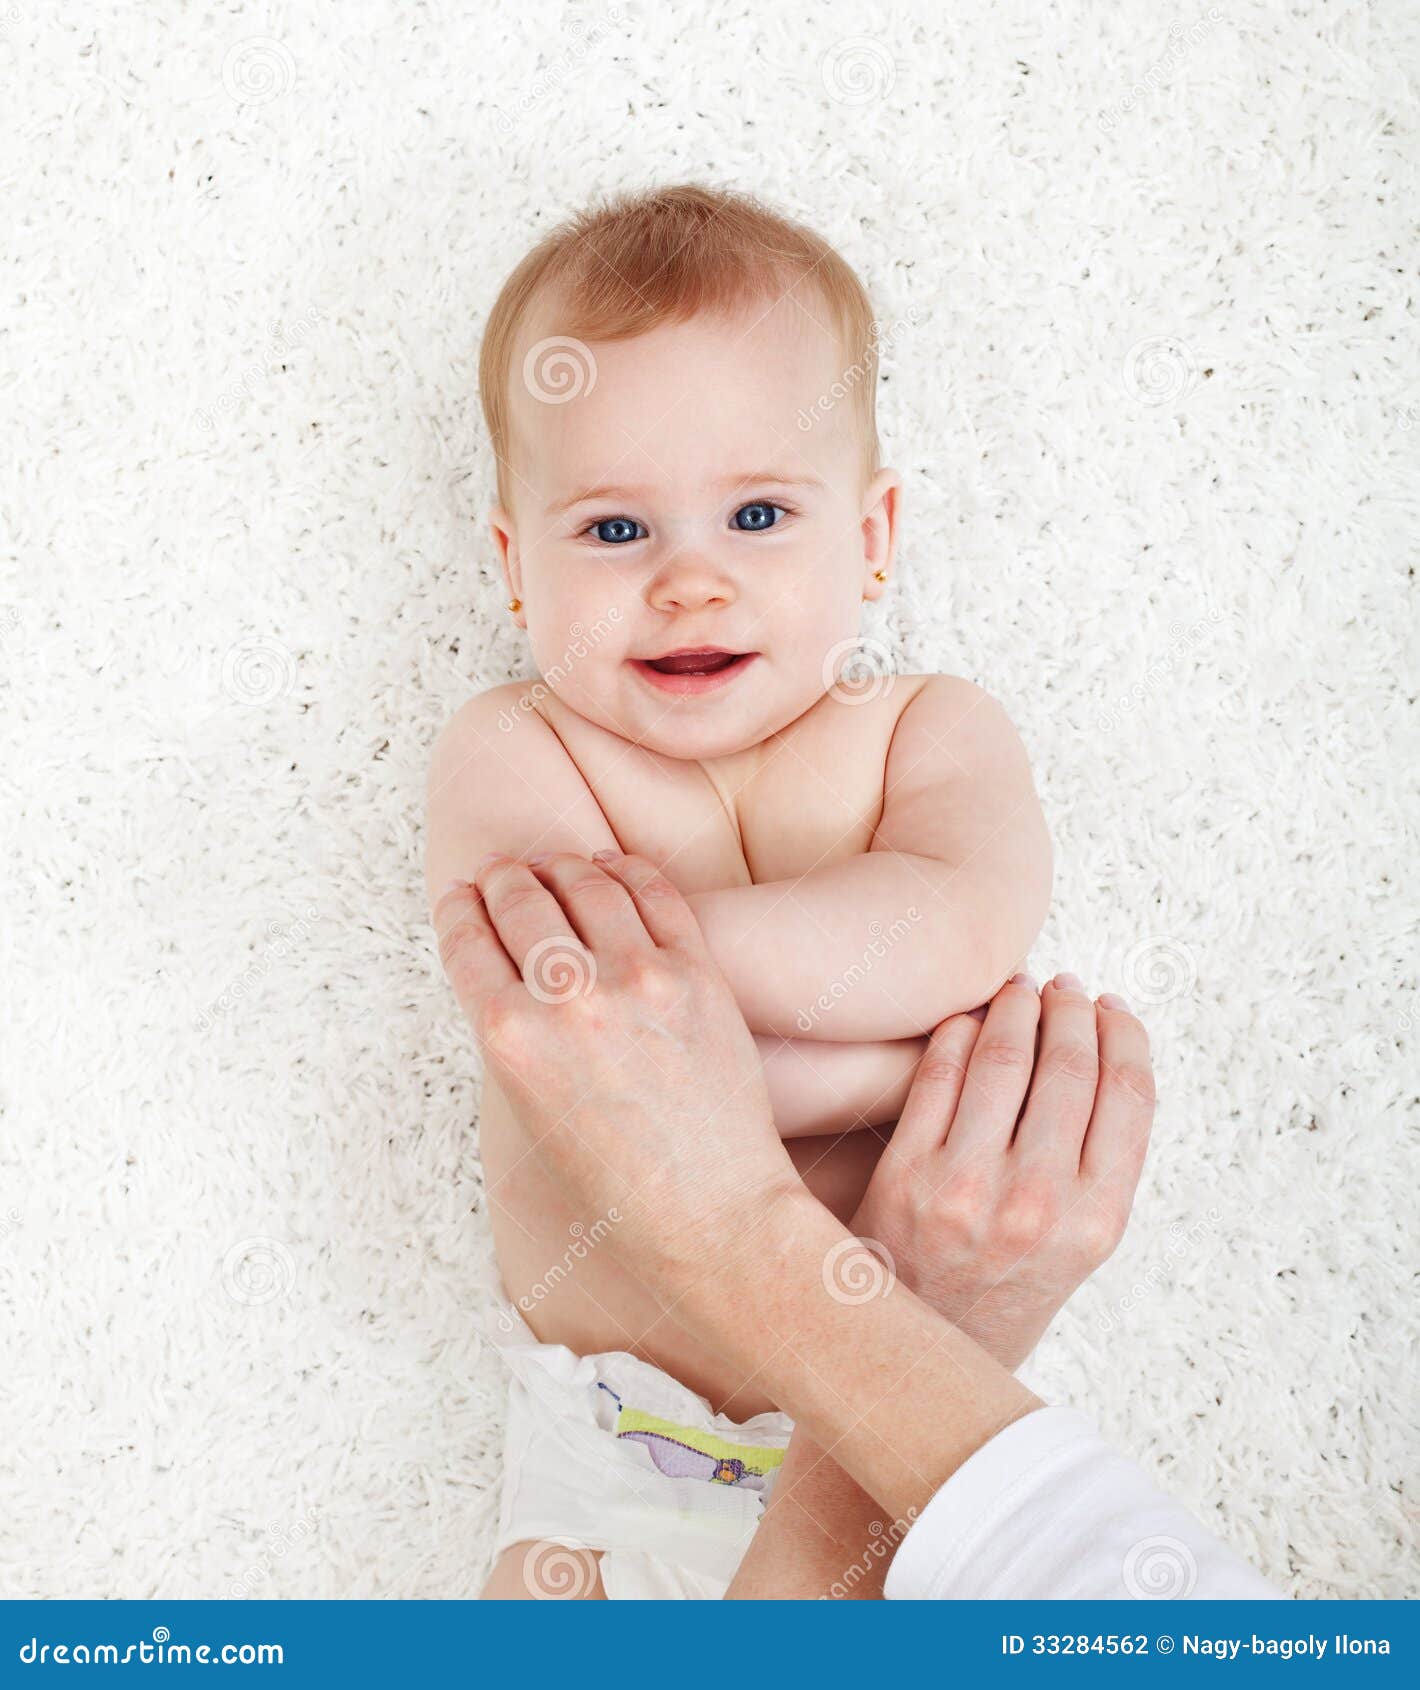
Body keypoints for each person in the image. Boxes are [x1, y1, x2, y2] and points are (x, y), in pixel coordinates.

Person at [425, 181, 1056, 1594]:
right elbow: (571, 1059)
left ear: (875, 537)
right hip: (618, 1455)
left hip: (916, 1419)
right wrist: (900, 1063)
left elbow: (957, 929)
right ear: (517, 569)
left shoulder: (926, 730)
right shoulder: (515, 747)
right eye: (613, 533)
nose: (690, 584)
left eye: (759, 513)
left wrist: (676, 969)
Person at [435, 851, 1280, 1600]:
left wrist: (898, 1317)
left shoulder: (917, 726)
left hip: (625, 1487)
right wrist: (922, 1329)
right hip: (643, 1487)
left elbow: (970, 928)